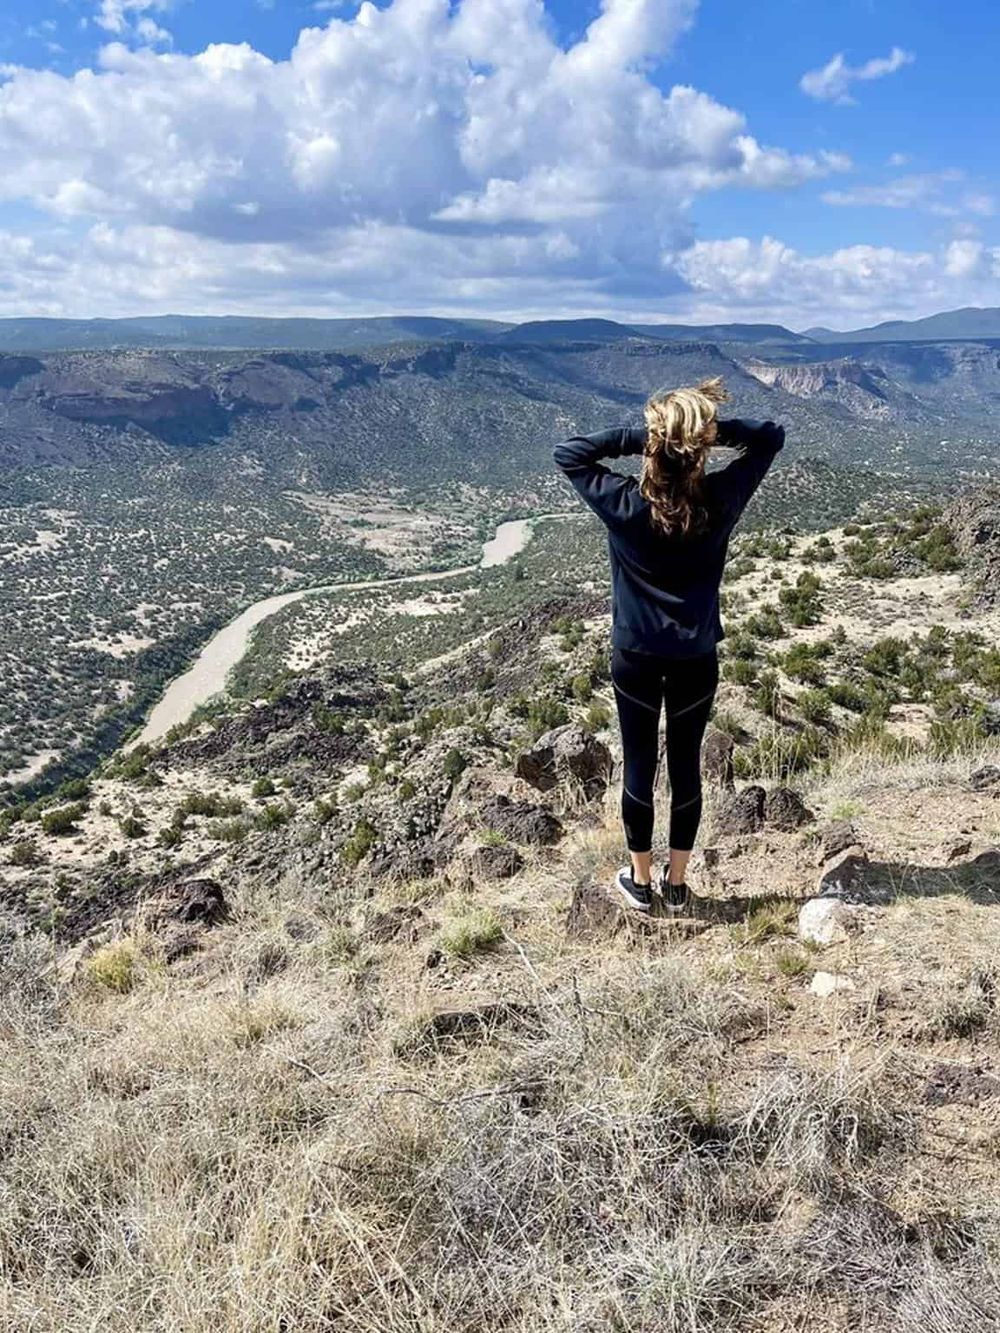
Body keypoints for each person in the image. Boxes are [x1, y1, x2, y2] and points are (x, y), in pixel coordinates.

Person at [552, 377, 785, 914]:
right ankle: (678, 886)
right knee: (685, 767)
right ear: (698, 449)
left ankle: (640, 880)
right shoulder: (720, 500)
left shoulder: (626, 505)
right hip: (695, 658)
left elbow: (570, 453)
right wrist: (702, 434)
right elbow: (770, 436)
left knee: (637, 764)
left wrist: (648, 436)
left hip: (634, 656)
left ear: (658, 446)